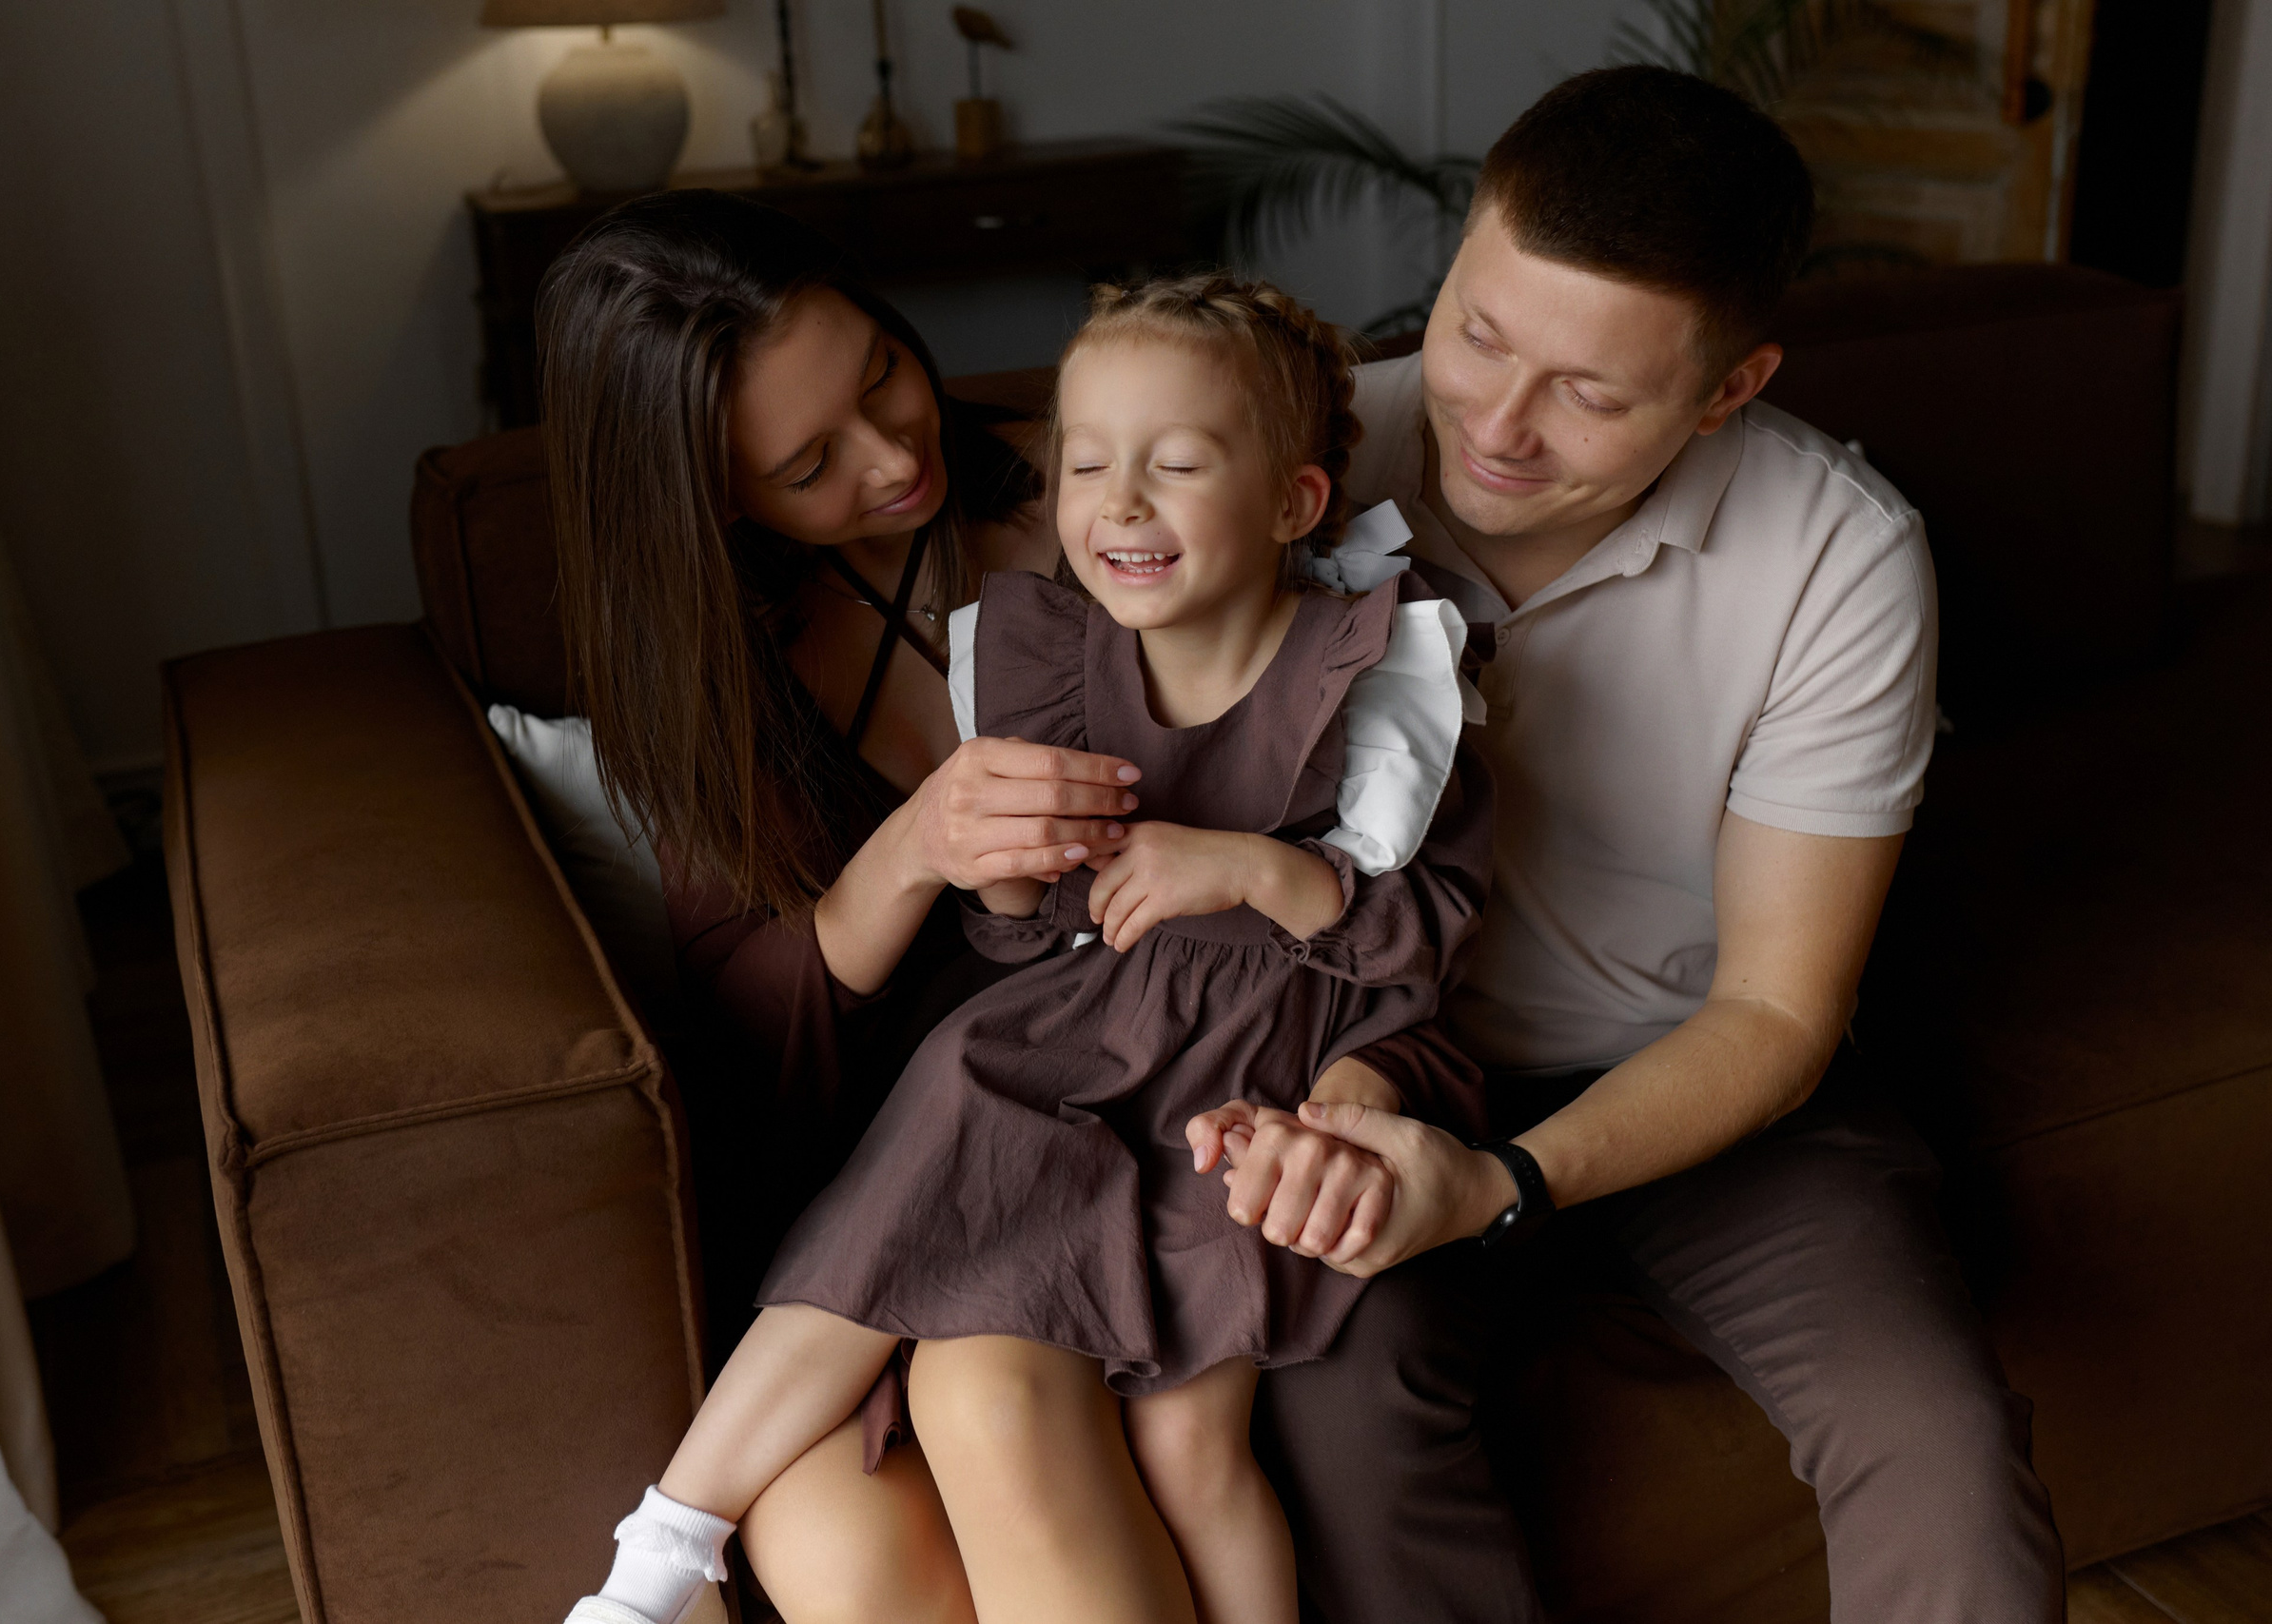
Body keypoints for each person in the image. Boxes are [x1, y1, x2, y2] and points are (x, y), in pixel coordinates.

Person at [1194, 66, 2069, 1623]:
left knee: (1934, 1440)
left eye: (1592, 394)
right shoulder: (1292, 460)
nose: (1501, 428)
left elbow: (1779, 1016)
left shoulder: (1837, 555)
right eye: (1476, 333)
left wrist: (1506, 1184)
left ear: (1730, 389)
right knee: (1333, 1407)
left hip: (1707, 1073)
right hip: (1370, 1068)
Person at [538, 195, 1472, 1624]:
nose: (894, 453)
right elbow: (744, 1043)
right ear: (717, 499)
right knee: (847, 1563)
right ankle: (666, 1545)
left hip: (1183, 1115)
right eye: (808, 463)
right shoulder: (718, 677)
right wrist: (913, 850)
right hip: (922, 1147)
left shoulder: (1116, 499)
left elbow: (1392, 890)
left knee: (1013, 1418)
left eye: (880, 378)